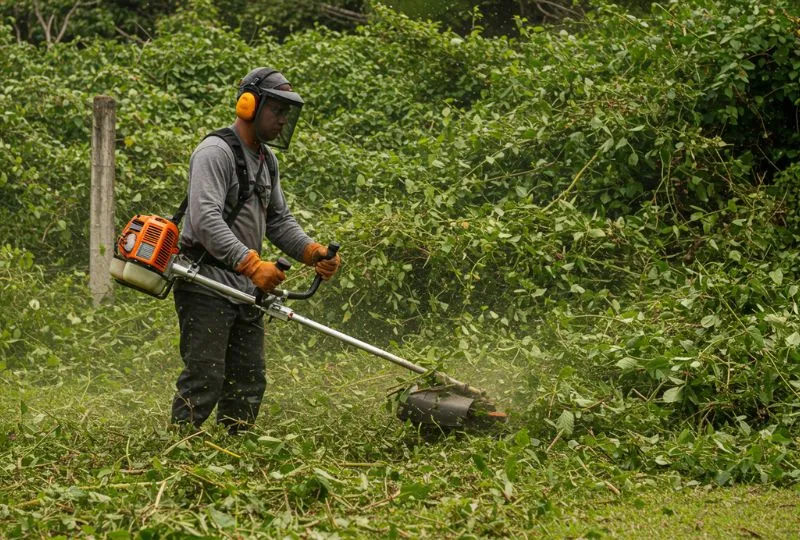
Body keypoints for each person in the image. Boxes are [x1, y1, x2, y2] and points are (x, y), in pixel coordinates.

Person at [170, 67, 340, 433]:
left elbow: (278, 220)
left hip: (246, 289)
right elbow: (204, 219)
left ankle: (234, 452)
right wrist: (250, 263)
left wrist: (312, 252)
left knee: (248, 380)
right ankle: (178, 451)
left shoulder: (266, 160)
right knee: (205, 376)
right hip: (205, 282)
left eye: (286, 113)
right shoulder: (214, 153)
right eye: (276, 110)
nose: (282, 120)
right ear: (249, 105)